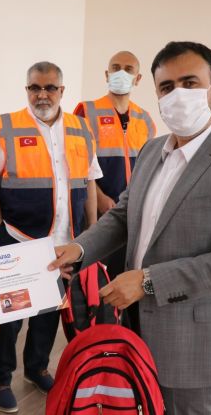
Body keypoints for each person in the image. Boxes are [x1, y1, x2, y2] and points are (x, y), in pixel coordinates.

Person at [50, 42, 211, 415]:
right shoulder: (151, 151)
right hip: (137, 330)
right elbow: (124, 215)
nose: (178, 95)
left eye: (190, 83)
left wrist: (147, 282)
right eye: (167, 87)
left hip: (197, 344)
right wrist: (79, 249)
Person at [0, 61, 102, 413]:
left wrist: (91, 231)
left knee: (48, 312)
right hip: (18, 240)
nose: (42, 94)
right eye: (35, 88)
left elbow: (90, 181)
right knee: (9, 317)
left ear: (62, 91)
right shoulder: (5, 126)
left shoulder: (80, 128)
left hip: (63, 243)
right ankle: (0, 378)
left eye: (49, 88)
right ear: (27, 89)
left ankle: (37, 368)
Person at [74, 50, 157, 333]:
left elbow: (149, 166)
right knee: (98, 284)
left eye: (128, 69)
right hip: (100, 213)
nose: (122, 73)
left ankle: (127, 339)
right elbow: (80, 163)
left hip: (134, 214)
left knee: (129, 278)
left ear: (138, 78)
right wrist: (100, 199)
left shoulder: (145, 119)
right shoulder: (86, 111)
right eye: (116, 67)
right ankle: (98, 337)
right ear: (107, 74)